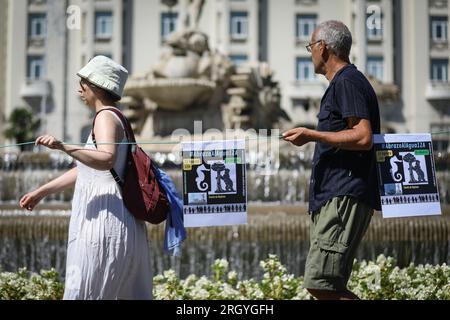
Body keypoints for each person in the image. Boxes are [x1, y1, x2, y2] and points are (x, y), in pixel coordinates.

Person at [19, 56, 153, 300]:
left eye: (83, 83)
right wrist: (42, 192)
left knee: (87, 291)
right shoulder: (116, 117)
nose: (80, 89)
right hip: (119, 218)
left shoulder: (104, 117)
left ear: (96, 86)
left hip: (104, 220)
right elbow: (86, 168)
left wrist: (63, 146)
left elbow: (106, 159)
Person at [283, 21, 381, 300]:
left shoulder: (347, 82)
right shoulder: (344, 83)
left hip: (343, 196)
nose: (310, 53)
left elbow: (363, 137)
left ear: (322, 47)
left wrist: (312, 134)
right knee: (328, 284)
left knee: (321, 283)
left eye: (310, 46)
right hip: (335, 197)